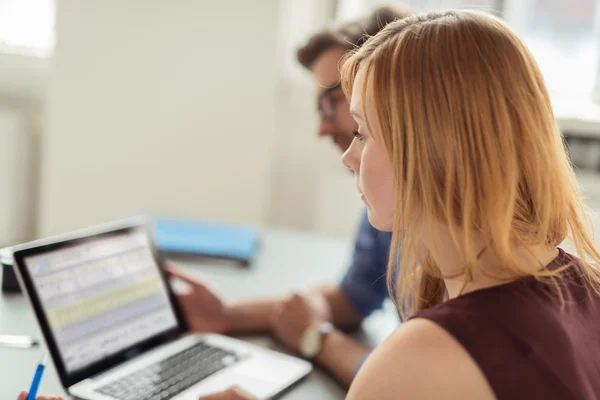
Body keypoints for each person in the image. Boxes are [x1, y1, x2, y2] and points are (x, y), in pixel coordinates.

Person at [195, 8, 600, 400]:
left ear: (433, 147)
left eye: (365, 133)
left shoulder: (424, 355)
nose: (348, 156)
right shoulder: (585, 284)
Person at [19, 6, 414, 400]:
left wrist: (317, 339)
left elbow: (413, 386)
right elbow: (353, 296)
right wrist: (228, 314)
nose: (323, 128)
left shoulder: (449, 246)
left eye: (334, 104)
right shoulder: (388, 202)